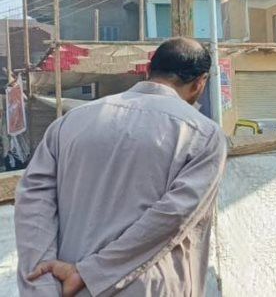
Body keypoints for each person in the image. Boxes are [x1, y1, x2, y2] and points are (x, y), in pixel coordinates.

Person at [15, 37, 226, 297]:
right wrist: (89, 273)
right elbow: (173, 216)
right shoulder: (203, 134)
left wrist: (43, 285)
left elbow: (33, 203)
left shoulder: (69, 123)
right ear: (200, 83)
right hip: (149, 287)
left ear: (148, 69)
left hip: (68, 286)